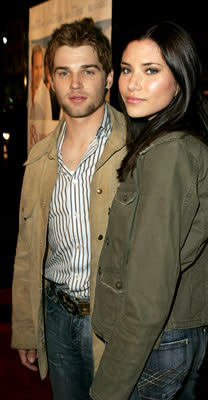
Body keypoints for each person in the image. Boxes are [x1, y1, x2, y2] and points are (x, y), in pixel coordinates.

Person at [89, 20, 208, 400]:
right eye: (126, 69)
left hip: (155, 344)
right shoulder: (186, 141)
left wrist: (108, 388)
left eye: (151, 70)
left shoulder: (169, 153)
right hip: (180, 335)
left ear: (181, 79)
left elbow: (148, 295)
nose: (131, 84)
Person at [11, 18, 126, 400]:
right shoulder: (38, 157)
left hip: (118, 321)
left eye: (87, 71)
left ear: (108, 78)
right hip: (57, 319)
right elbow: (28, 250)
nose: (75, 85)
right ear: (50, 81)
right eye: (64, 72)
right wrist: (27, 329)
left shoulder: (139, 149)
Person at [30, 44, 52, 120]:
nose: (39, 73)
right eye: (36, 68)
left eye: (41, 67)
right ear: (31, 68)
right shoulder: (27, 91)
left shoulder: (46, 94)